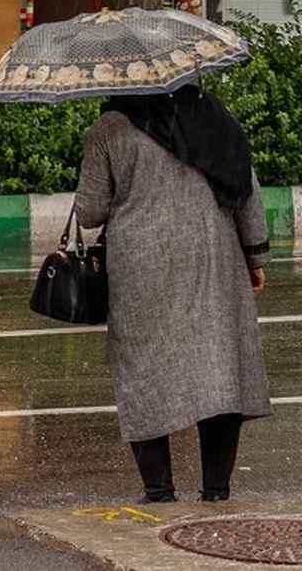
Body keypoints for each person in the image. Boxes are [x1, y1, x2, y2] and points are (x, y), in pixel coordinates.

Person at [74, 86, 271, 503]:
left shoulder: (109, 128)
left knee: (144, 372)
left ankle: (158, 491)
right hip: (214, 258)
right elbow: (245, 186)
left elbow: (90, 211)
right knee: (218, 369)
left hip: (141, 268)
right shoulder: (212, 117)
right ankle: (216, 489)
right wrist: (255, 255)